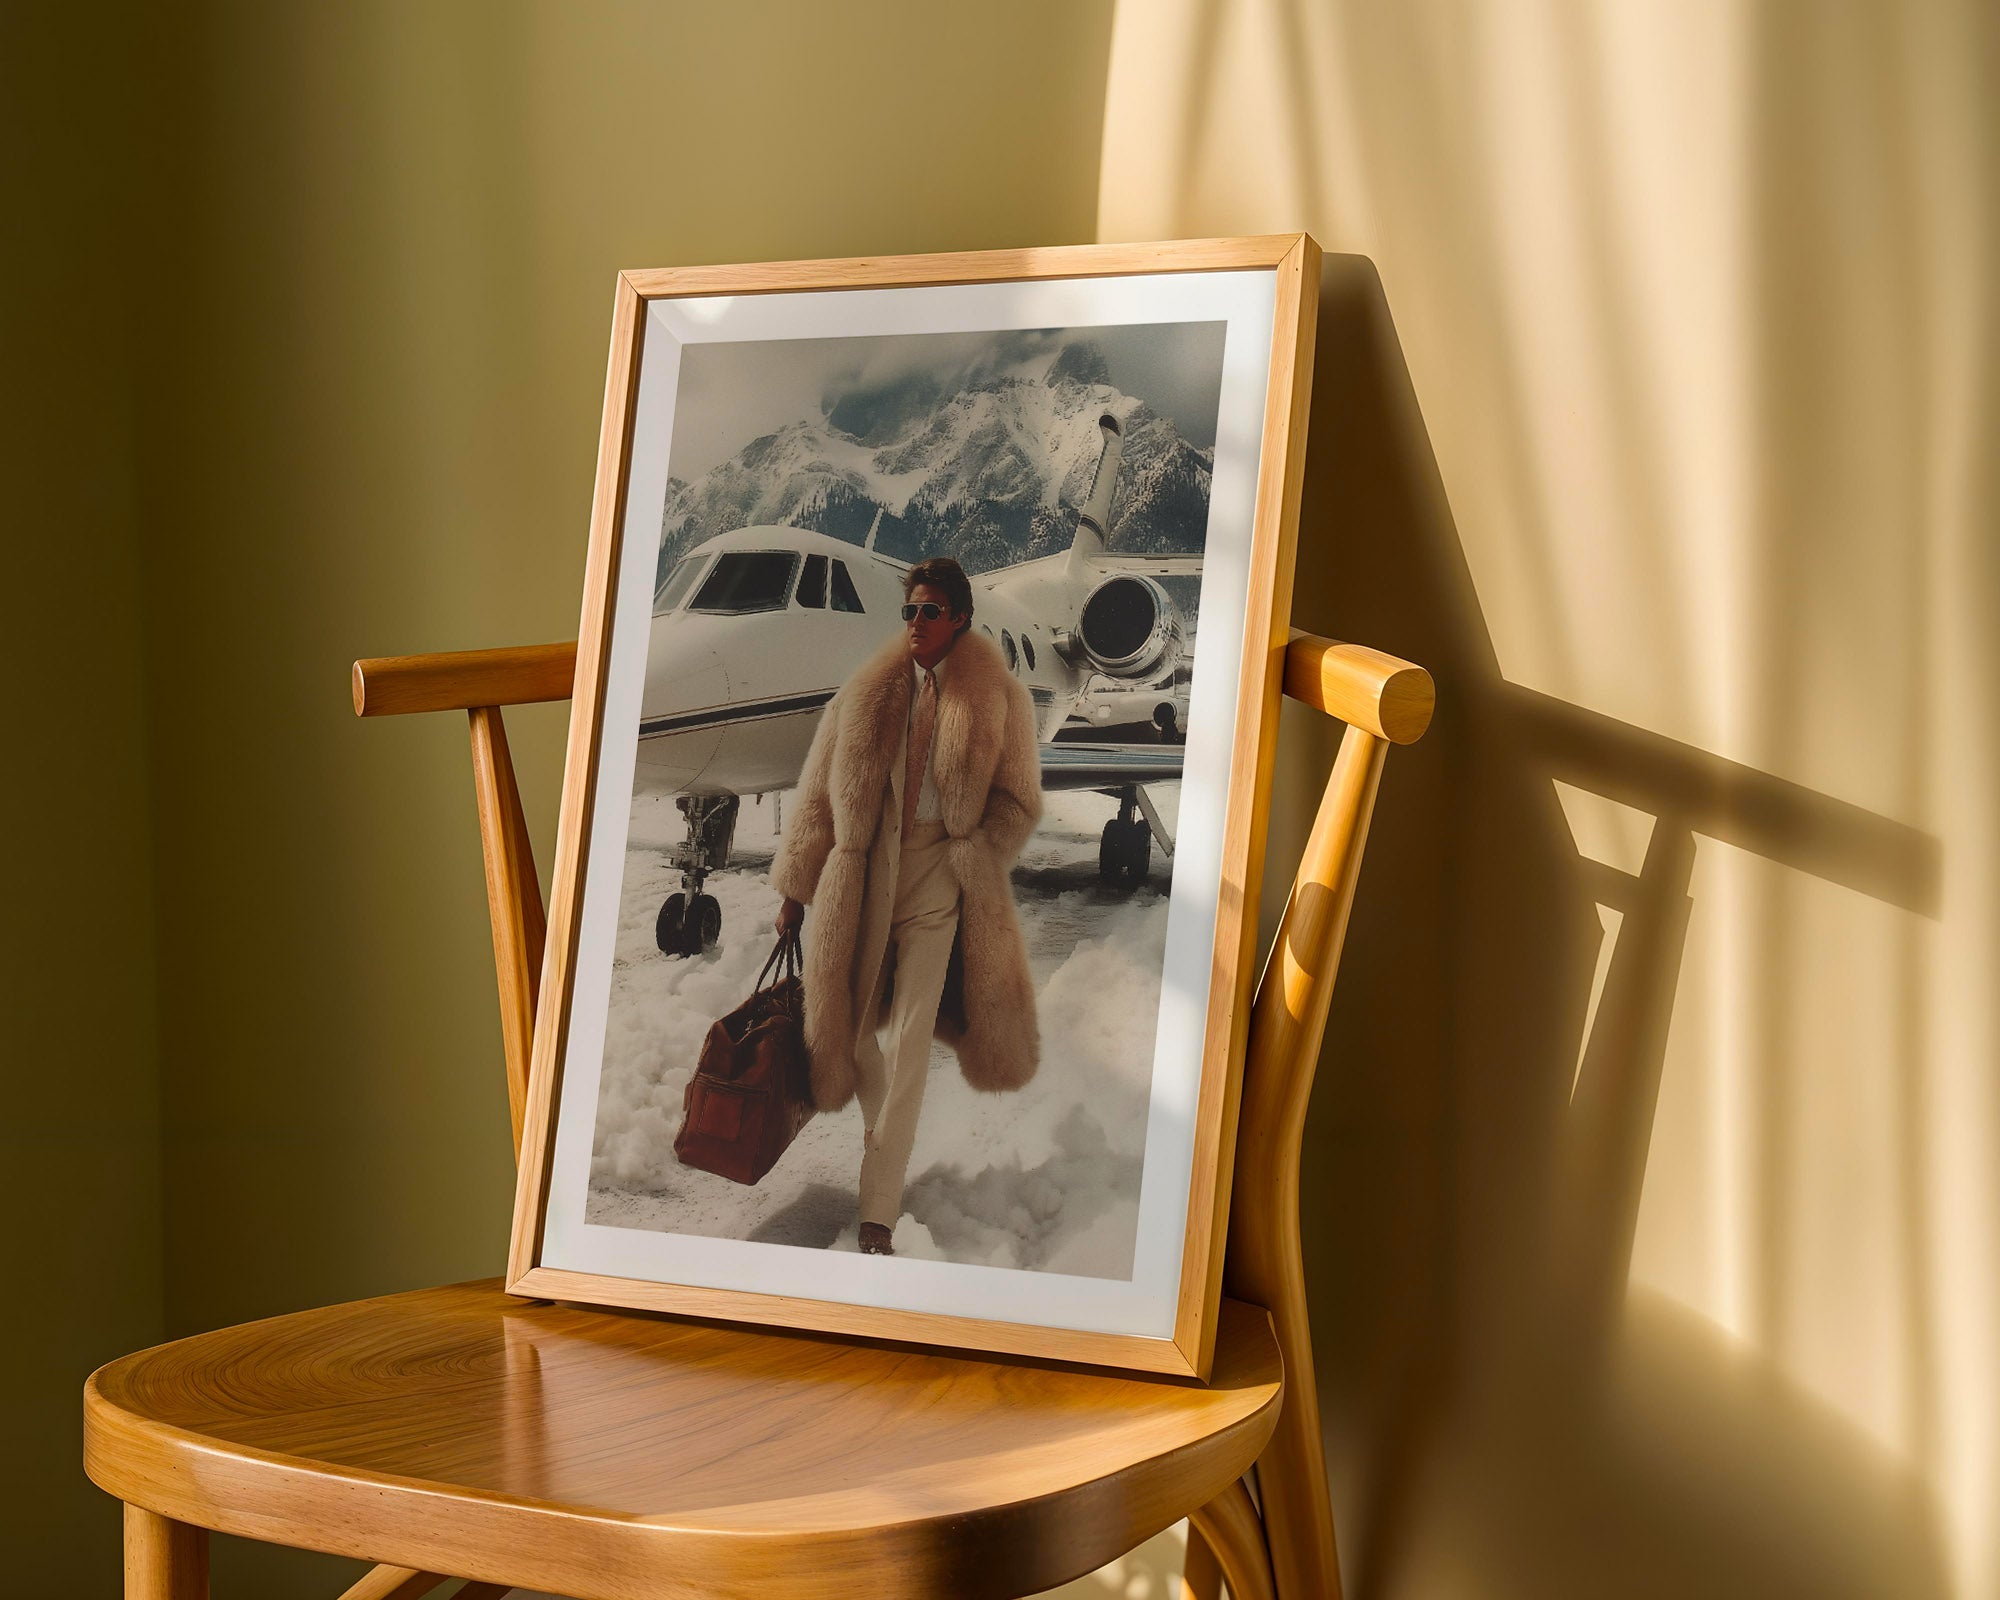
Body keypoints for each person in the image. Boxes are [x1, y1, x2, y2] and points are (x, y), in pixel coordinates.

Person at [772, 557, 1043, 1256]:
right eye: (910, 611)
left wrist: (975, 855)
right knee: (852, 1027)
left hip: (939, 880)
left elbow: (1018, 802)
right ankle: (883, 1139)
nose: (916, 623)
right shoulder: (864, 693)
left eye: (930, 611)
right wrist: (796, 893)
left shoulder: (1000, 699)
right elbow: (817, 798)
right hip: (866, 874)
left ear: (959, 618)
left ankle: (879, 1212)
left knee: (912, 1039)